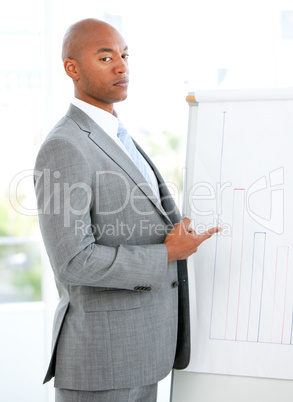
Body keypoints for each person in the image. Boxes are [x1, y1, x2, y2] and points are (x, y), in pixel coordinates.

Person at [34, 18, 220, 402]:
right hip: (102, 363)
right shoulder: (65, 146)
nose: (121, 66)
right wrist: (167, 253)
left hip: (143, 353)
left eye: (124, 55)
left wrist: (174, 231)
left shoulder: (117, 136)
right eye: (105, 57)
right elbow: (73, 260)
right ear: (72, 68)